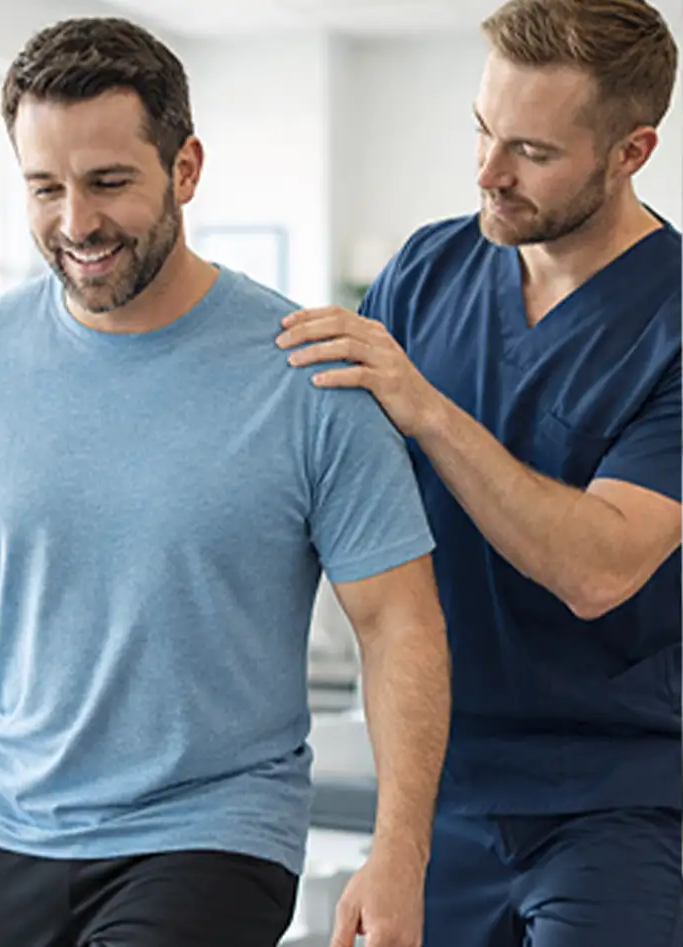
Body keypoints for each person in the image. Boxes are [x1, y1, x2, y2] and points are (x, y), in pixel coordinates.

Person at [0, 17, 451, 947]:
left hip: (213, 831)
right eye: (44, 187)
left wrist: (401, 848)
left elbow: (398, 618)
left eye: (109, 182)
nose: (76, 223)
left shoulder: (310, 376)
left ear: (185, 169)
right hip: (4, 823)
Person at [277, 0, 682, 945]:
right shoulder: (426, 271)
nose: (489, 174)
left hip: (615, 796)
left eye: (532, 152)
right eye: (481, 130)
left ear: (632, 151)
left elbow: (600, 566)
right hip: (434, 781)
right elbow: (319, 486)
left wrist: (425, 405)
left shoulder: (668, 320)